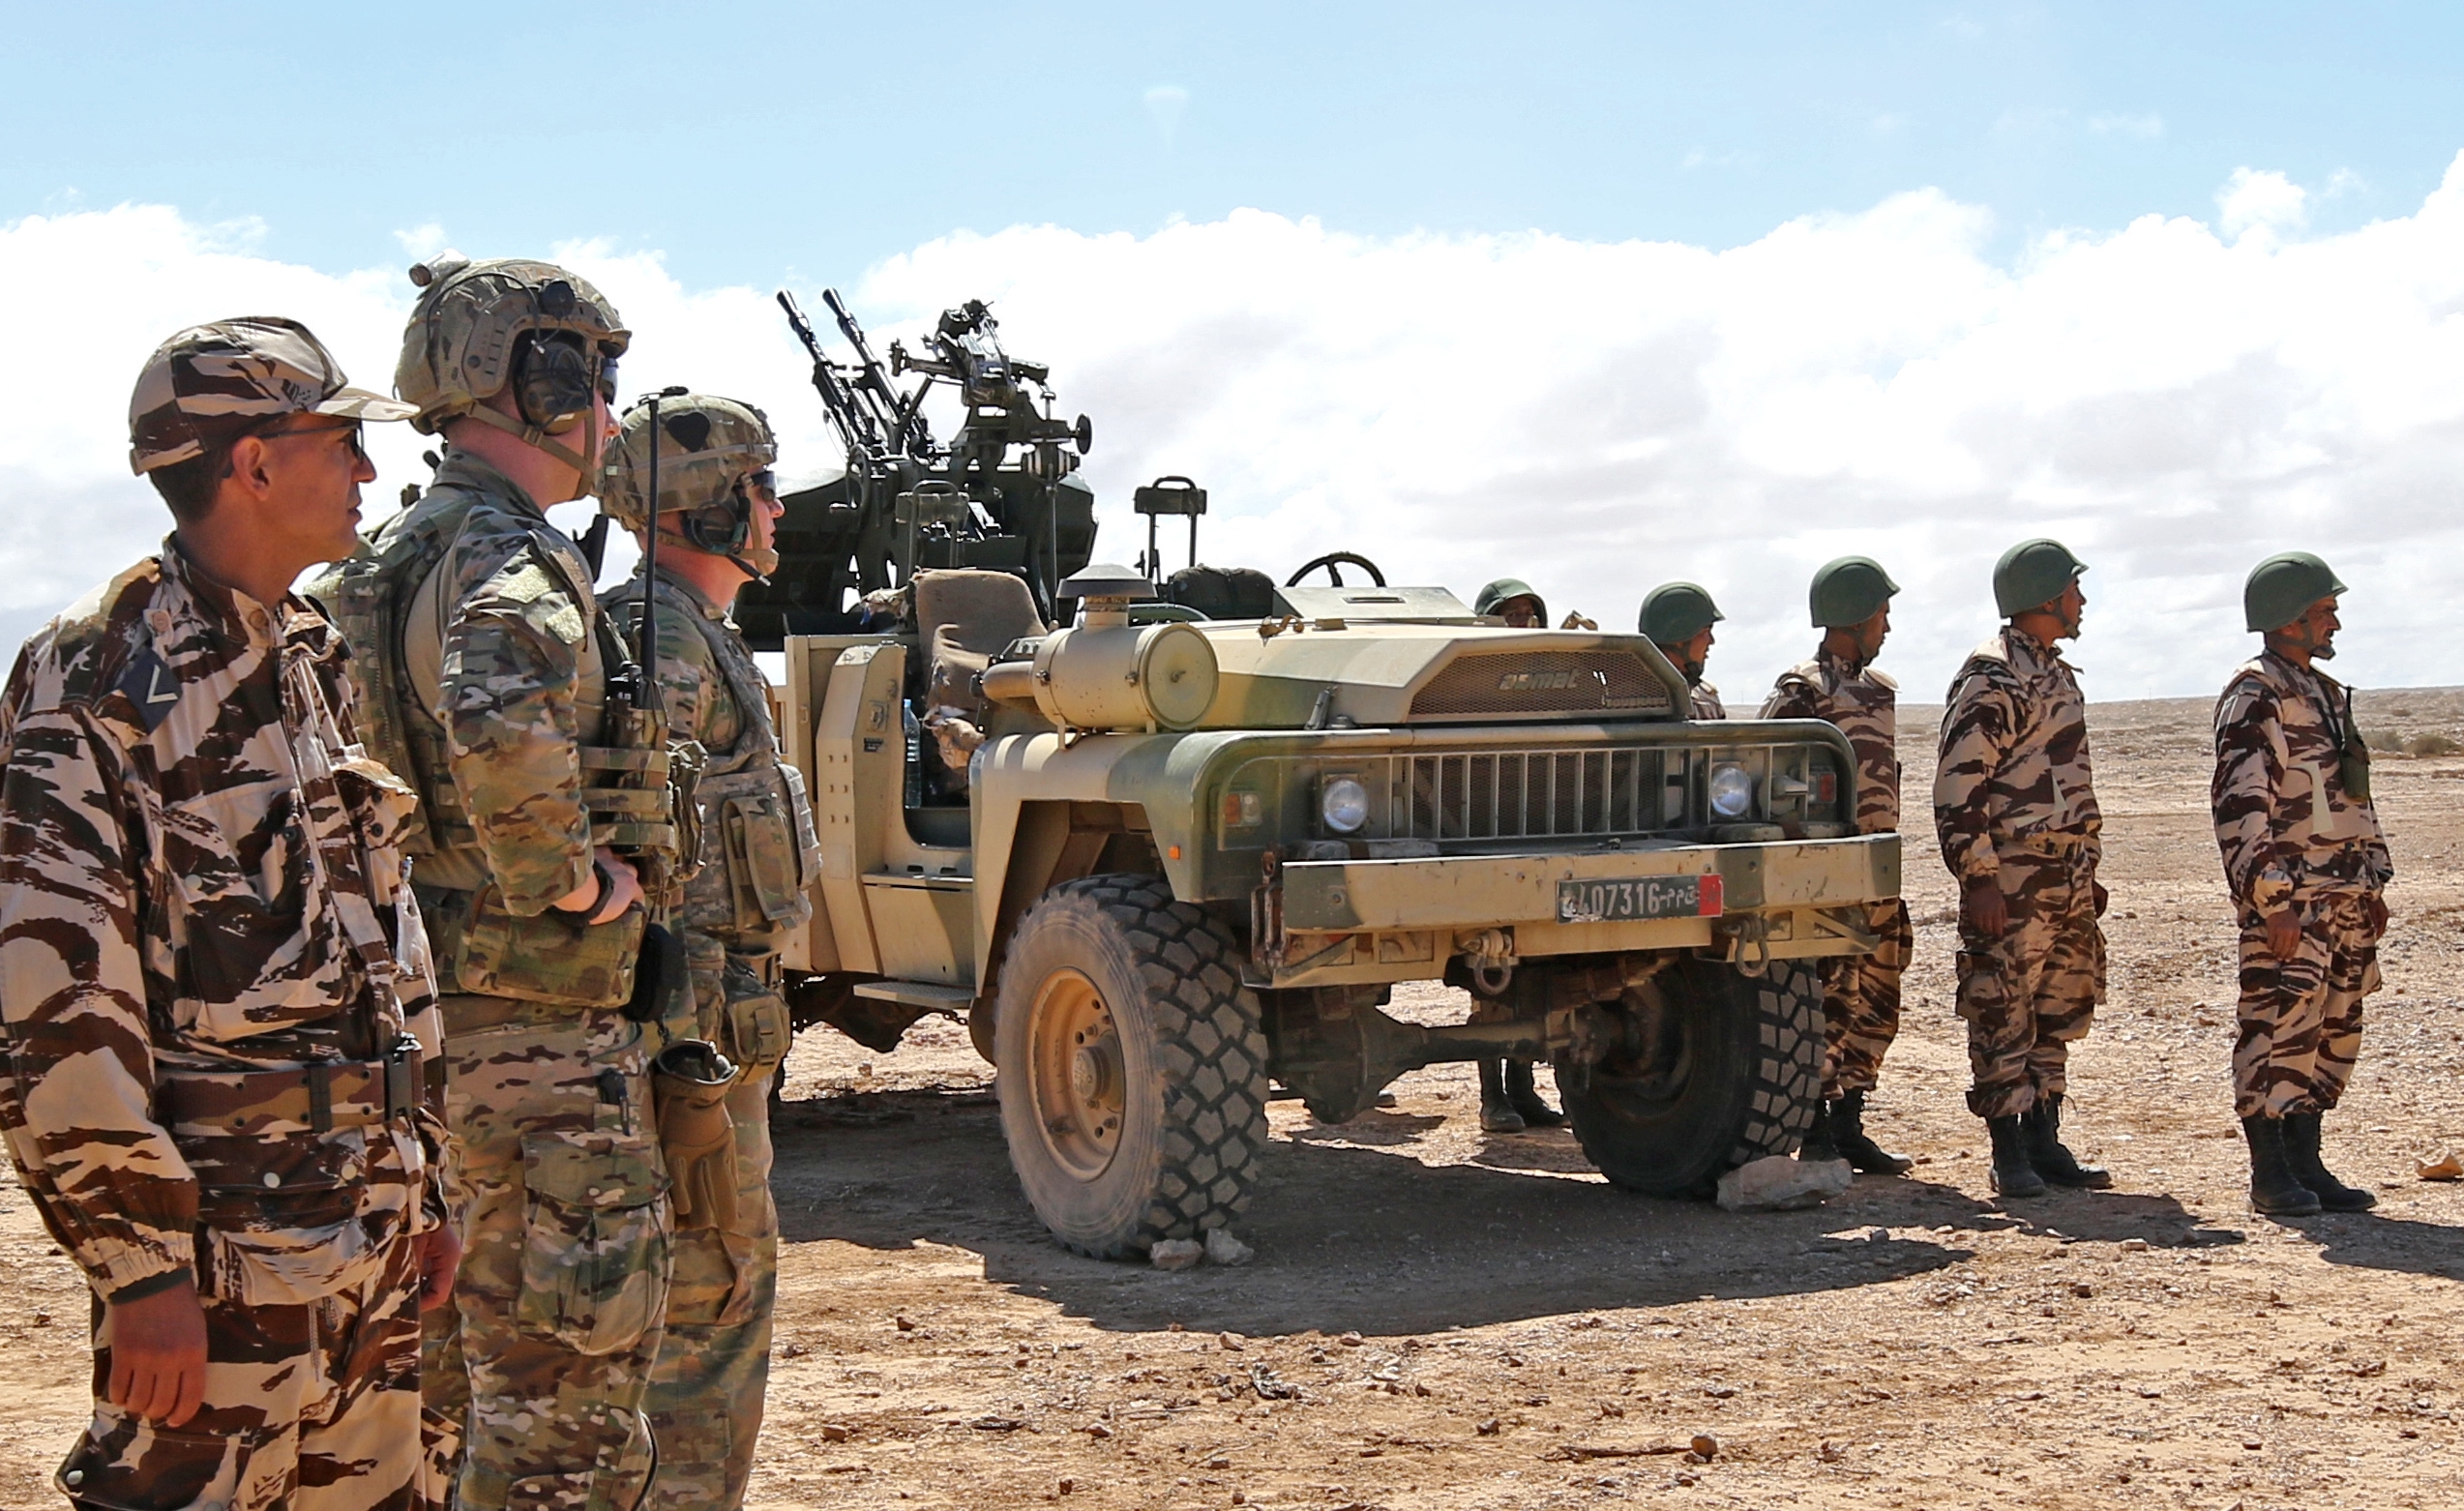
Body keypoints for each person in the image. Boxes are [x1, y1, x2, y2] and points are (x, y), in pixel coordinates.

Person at [0, 318, 453, 1509]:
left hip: (370, 1229)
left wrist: (427, 1183)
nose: (367, 470)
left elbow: (381, 941)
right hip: (228, 1264)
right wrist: (137, 1265)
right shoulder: (101, 676)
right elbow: (54, 998)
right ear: (252, 462)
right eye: (343, 438)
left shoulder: (309, 652)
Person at [308, 255, 682, 1510]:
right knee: (565, 1404)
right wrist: (575, 883)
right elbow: (497, 710)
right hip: (531, 1034)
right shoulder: (506, 558)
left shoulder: (368, 565)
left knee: (443, 1390)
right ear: (544, 378)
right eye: (598, 380)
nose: (610, 418)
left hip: (409, 1027)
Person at [602, 395, 819, 1507]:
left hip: (725, 1031)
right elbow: (639, 850)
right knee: (709, 1309)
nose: (779, 510)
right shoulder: (663, 640)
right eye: (764, 487)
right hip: (695, 1045)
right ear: (715, 502)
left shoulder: (693, 631)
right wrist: (681, 1042)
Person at [2212, 552, 2391, 1215]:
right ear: (2289, 618)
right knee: (2275, 1025)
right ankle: (2269, 1173)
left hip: (2342, 895)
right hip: (2292, 901)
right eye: (2323, 609)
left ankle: (2306, 1161)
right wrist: (2270, 900)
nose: (2333, 618)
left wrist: (2371, 886)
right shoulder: (2254, 695)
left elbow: (2351, 796)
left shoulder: (2320, 690)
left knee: (2331, 1029)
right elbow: (2240, 807)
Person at [1934, 538, 2113, 1200]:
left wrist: (2086, 866)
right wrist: (1977, 877)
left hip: (2063, 873)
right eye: (2072, 589)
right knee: (2001, 1008)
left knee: (2057, 1006)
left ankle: (2044, 1139)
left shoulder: (2057, 676)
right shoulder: (1992, 677)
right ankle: (2008, 1152)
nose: (2081, 601)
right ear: (2043, 597)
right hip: (2010, 875)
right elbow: (1959, 786)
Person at [1760, 557, 1914, 1175]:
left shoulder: (1879, 692)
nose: (1888, 626)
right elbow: (1766, 779)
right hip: (1825, 877)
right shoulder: (1802, 692)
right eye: (1881, 613)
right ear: (1853, 615)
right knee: (1828, 1000)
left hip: (1874, 874)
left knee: (1877, 997)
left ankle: (1850, 1120)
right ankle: (1814, 1126)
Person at [1463, 579, 1566, 1132]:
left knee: (1537, 975)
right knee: (1491, 977)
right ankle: (1492, 1097)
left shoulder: (1552, 683)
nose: (1522, 622)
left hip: (1543, 839)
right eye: (1509, 614)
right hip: (1487, 842)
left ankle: (1524, 1089)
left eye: (1529, 612)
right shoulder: (1465, 682)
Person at [1639, 581, 1726, 719]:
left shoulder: (1706, 699)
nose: (1711, 641)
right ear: (1680, 638)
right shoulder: (1630, 702)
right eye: (1705, 632)